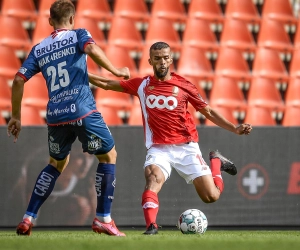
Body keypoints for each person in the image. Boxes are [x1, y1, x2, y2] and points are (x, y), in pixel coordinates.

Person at [88, 41, 253, 235]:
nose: (162, 62)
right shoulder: (142, 85)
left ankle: (216, 163)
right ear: (150, 61)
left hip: (187, 147)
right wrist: (80, 72)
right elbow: (107, 84)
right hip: (158, 149)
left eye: (166, 58)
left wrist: (234, 128)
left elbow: (207, 111)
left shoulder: (184, 85)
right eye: (157, 59)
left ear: (171, 59)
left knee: (211, 196)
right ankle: (151, 226)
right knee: (152, 179)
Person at [7, 0, 130, 237]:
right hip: (82, 110)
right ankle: (104, 219)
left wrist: (16, 116)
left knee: (56, 164)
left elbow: (18, 80)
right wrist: (116, 70)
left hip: (55, 115)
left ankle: (28, 218)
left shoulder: (39, 48)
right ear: (72, 19)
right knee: (108, 156)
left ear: (50, 21)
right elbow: (92, 50)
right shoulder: (78, 35)